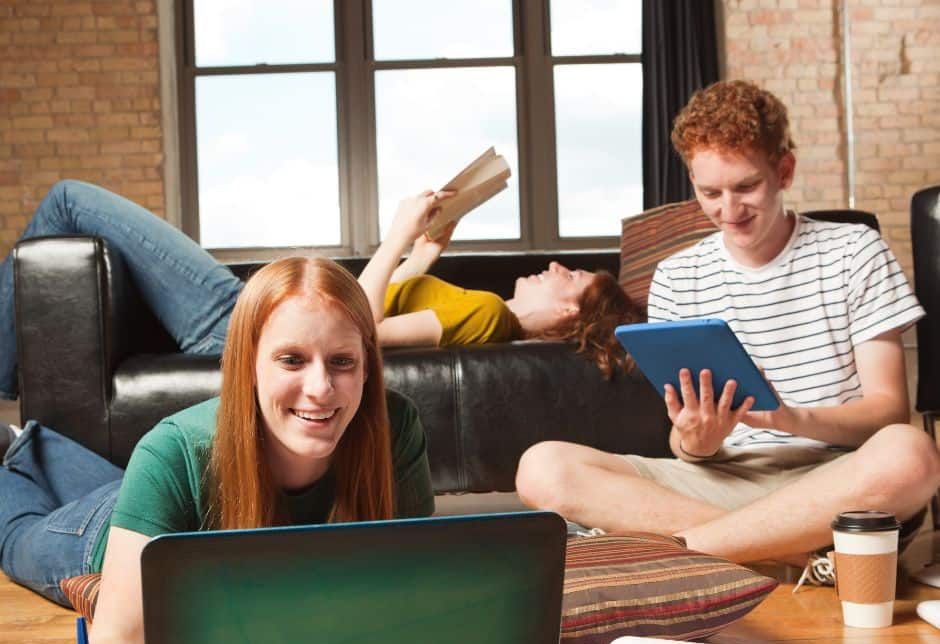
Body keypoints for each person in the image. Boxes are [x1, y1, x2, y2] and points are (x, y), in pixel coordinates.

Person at [0, 255, 433, 644]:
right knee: (17, 534)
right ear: (249, 361)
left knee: (78, 468)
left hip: (154, 498)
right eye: (291, 360)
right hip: (99, 535)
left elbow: (411, 597)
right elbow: (123, 631)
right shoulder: (171, 452)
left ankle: (32, 444)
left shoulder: (394, 426)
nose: (320, 388)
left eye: (342, 361)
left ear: (367, 363)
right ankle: (14, 456)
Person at [516, 80, 940, 567]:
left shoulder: (854, 251)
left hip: (835, 482)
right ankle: (797, 557)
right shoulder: (677, 275)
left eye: (746, 187)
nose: (728, 210)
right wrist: (698, 440)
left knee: (911, 452)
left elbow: (887, 412)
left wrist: (787, 418)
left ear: (784, 170)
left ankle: (693, 551)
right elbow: (683, 444)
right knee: (541, 467)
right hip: (719, 485)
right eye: (709, 192)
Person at [0, 182, 639, 395]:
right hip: (253, 314)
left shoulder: (484, 318)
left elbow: (355, 327)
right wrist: (429, 249)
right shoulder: (481, 311)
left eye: (574, 277)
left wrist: (392, 240)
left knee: (68, 200)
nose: (558, 269)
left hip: (239, 321)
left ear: (565, 315)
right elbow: (391, 299)